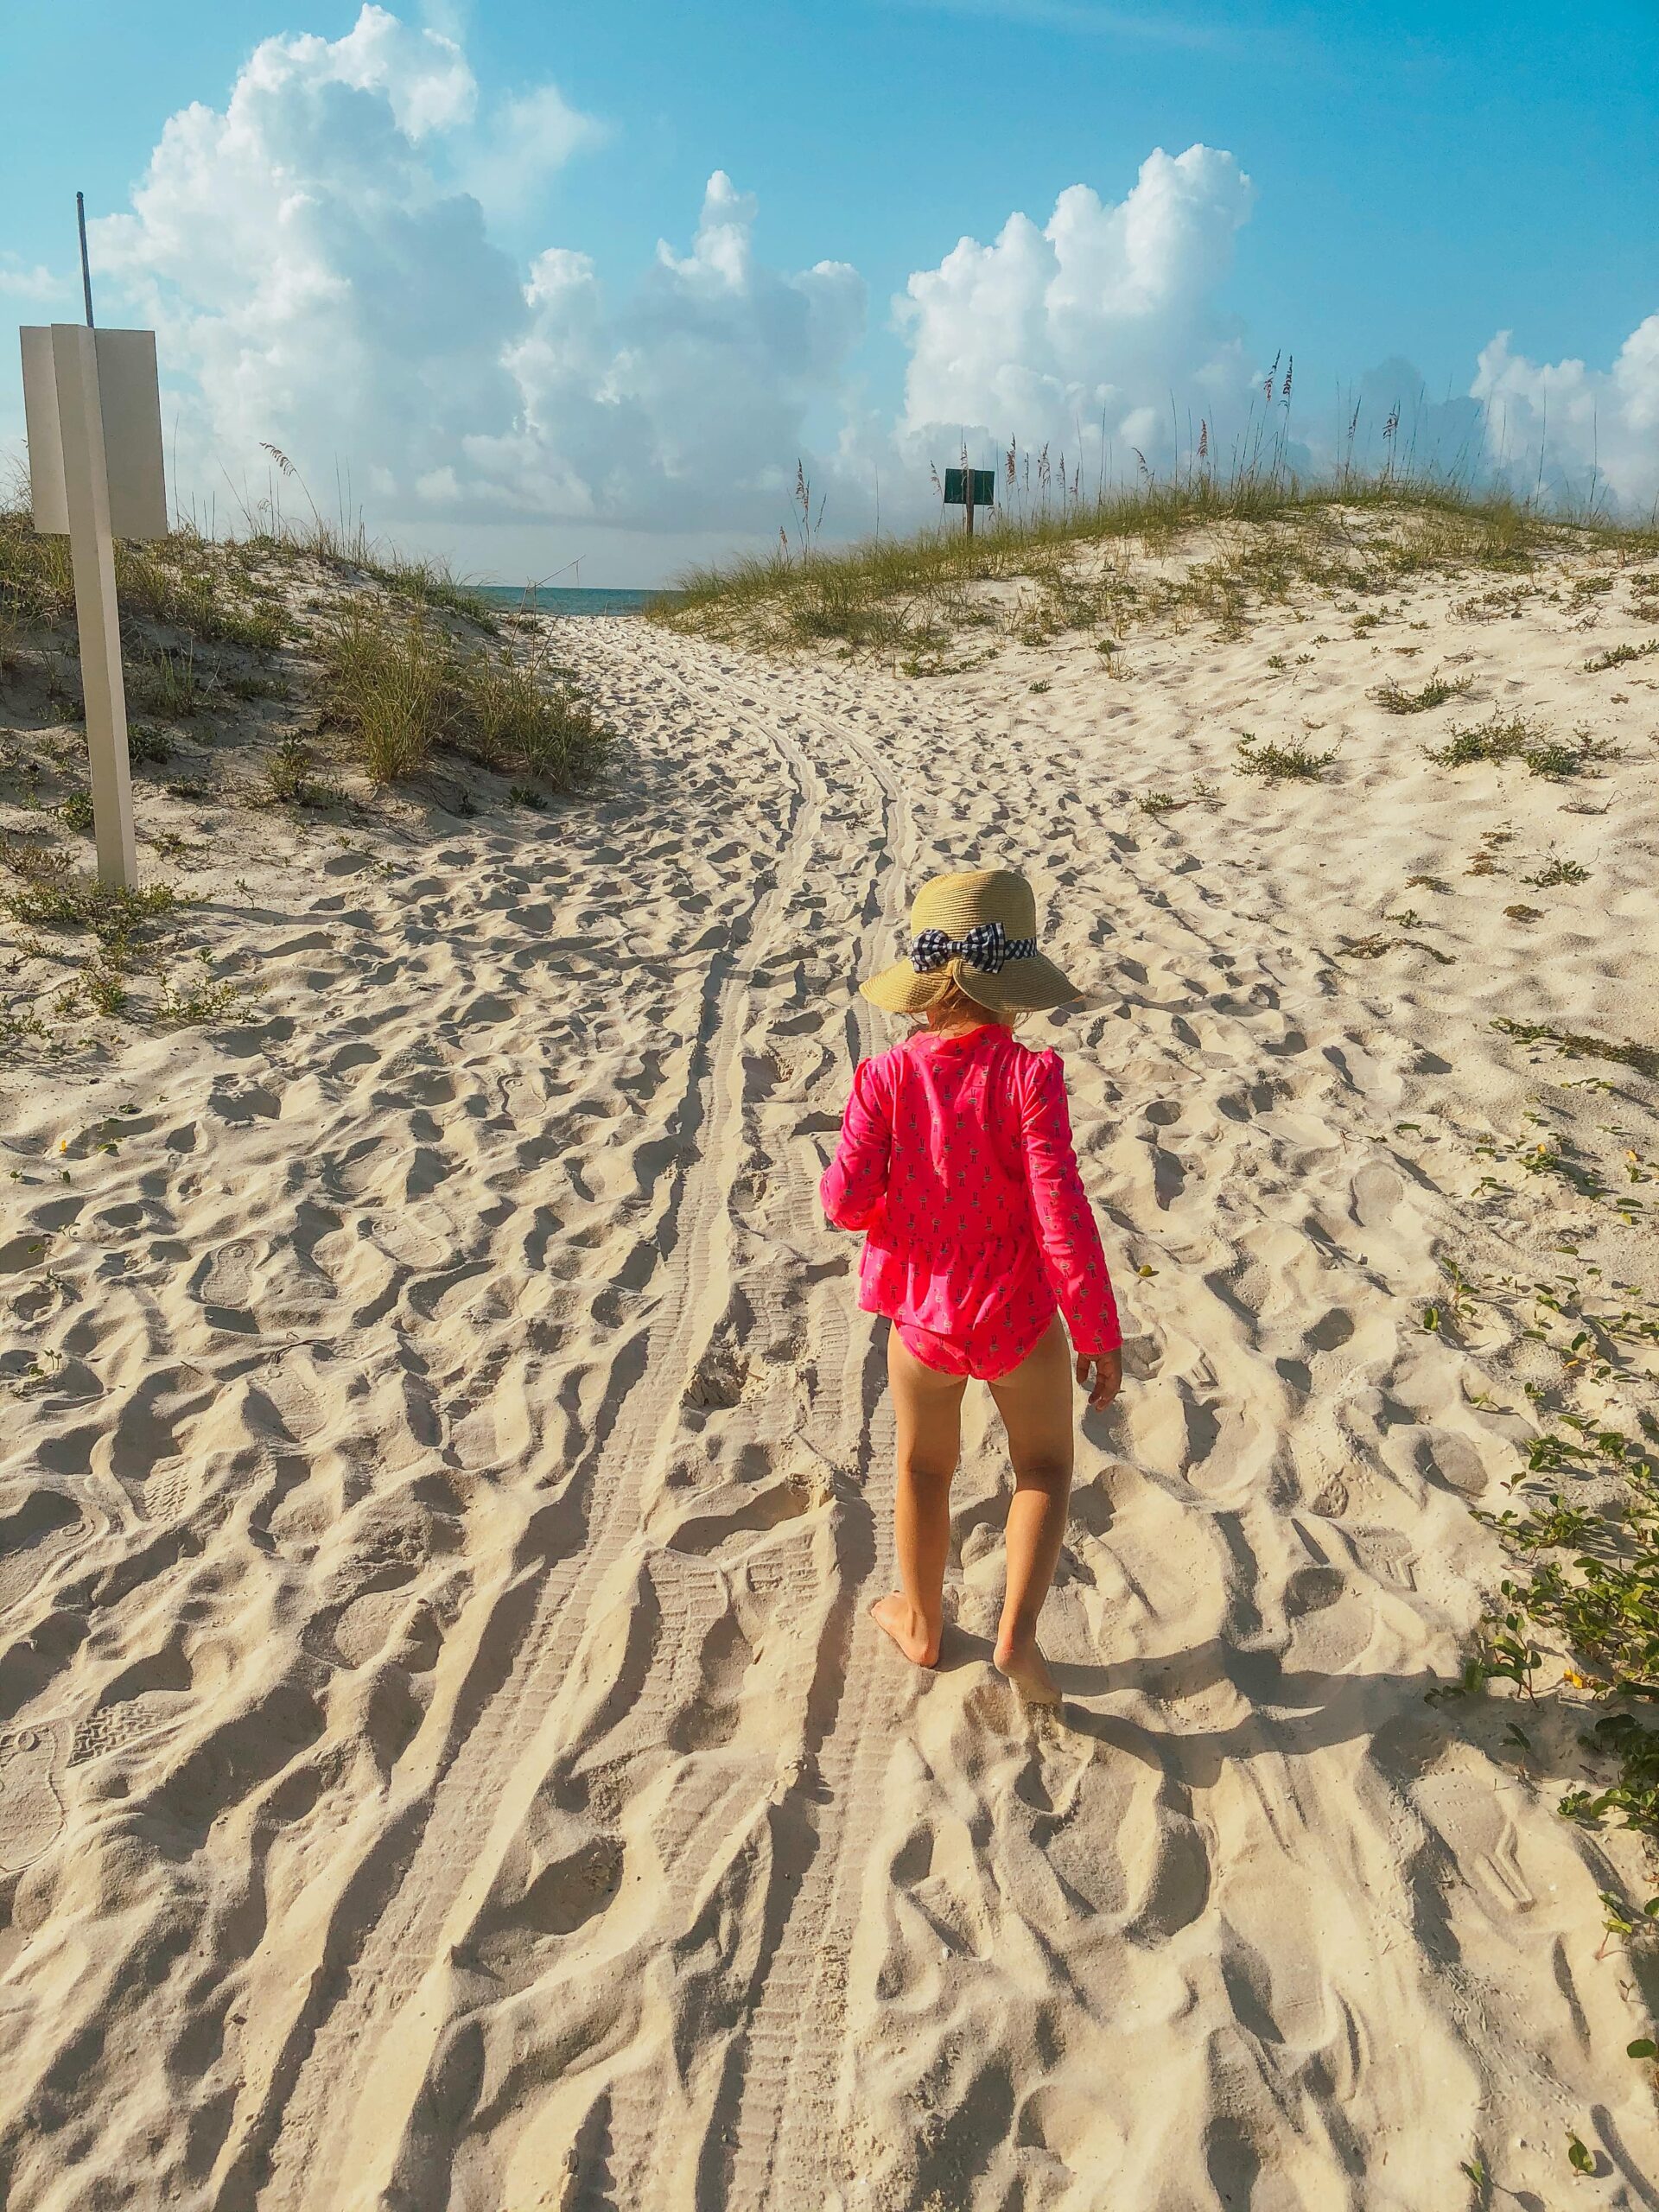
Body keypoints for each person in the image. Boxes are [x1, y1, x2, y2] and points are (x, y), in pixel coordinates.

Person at [820, 866, 1123, 1706]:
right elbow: (1060, 1213)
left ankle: (919, 1623)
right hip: (1018, 1317)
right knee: (1045, 1468)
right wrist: (1097, 1328)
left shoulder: (883, 1078)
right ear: (1012, 985)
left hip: (921, 1321)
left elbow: (843, 1201)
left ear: (926, 982)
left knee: (921, 1470)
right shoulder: (1030, 1078)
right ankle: (1018, 1638)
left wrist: (899, 1201)